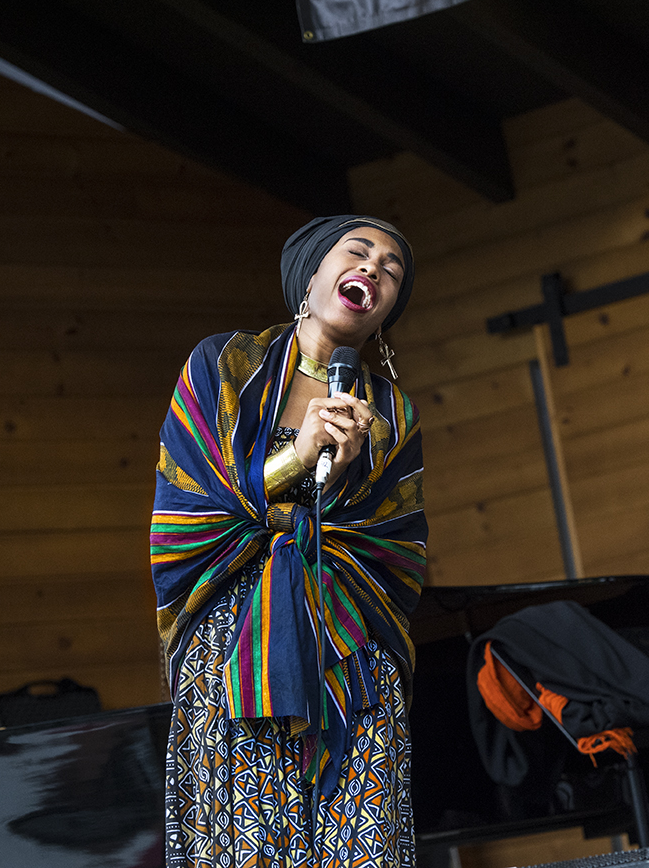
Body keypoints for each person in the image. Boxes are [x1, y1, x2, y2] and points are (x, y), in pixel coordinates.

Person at [151, 215, 428, 867]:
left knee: (364, 846)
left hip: (349, 648)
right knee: (250, 845)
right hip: (234, 645)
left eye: (392, 269)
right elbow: (197, 499)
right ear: (312, 271)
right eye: (358, 252)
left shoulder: (392, 412)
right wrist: (301, 454)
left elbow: (393, 547)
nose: (374, 269)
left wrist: (351, 470)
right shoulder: (222, 363)